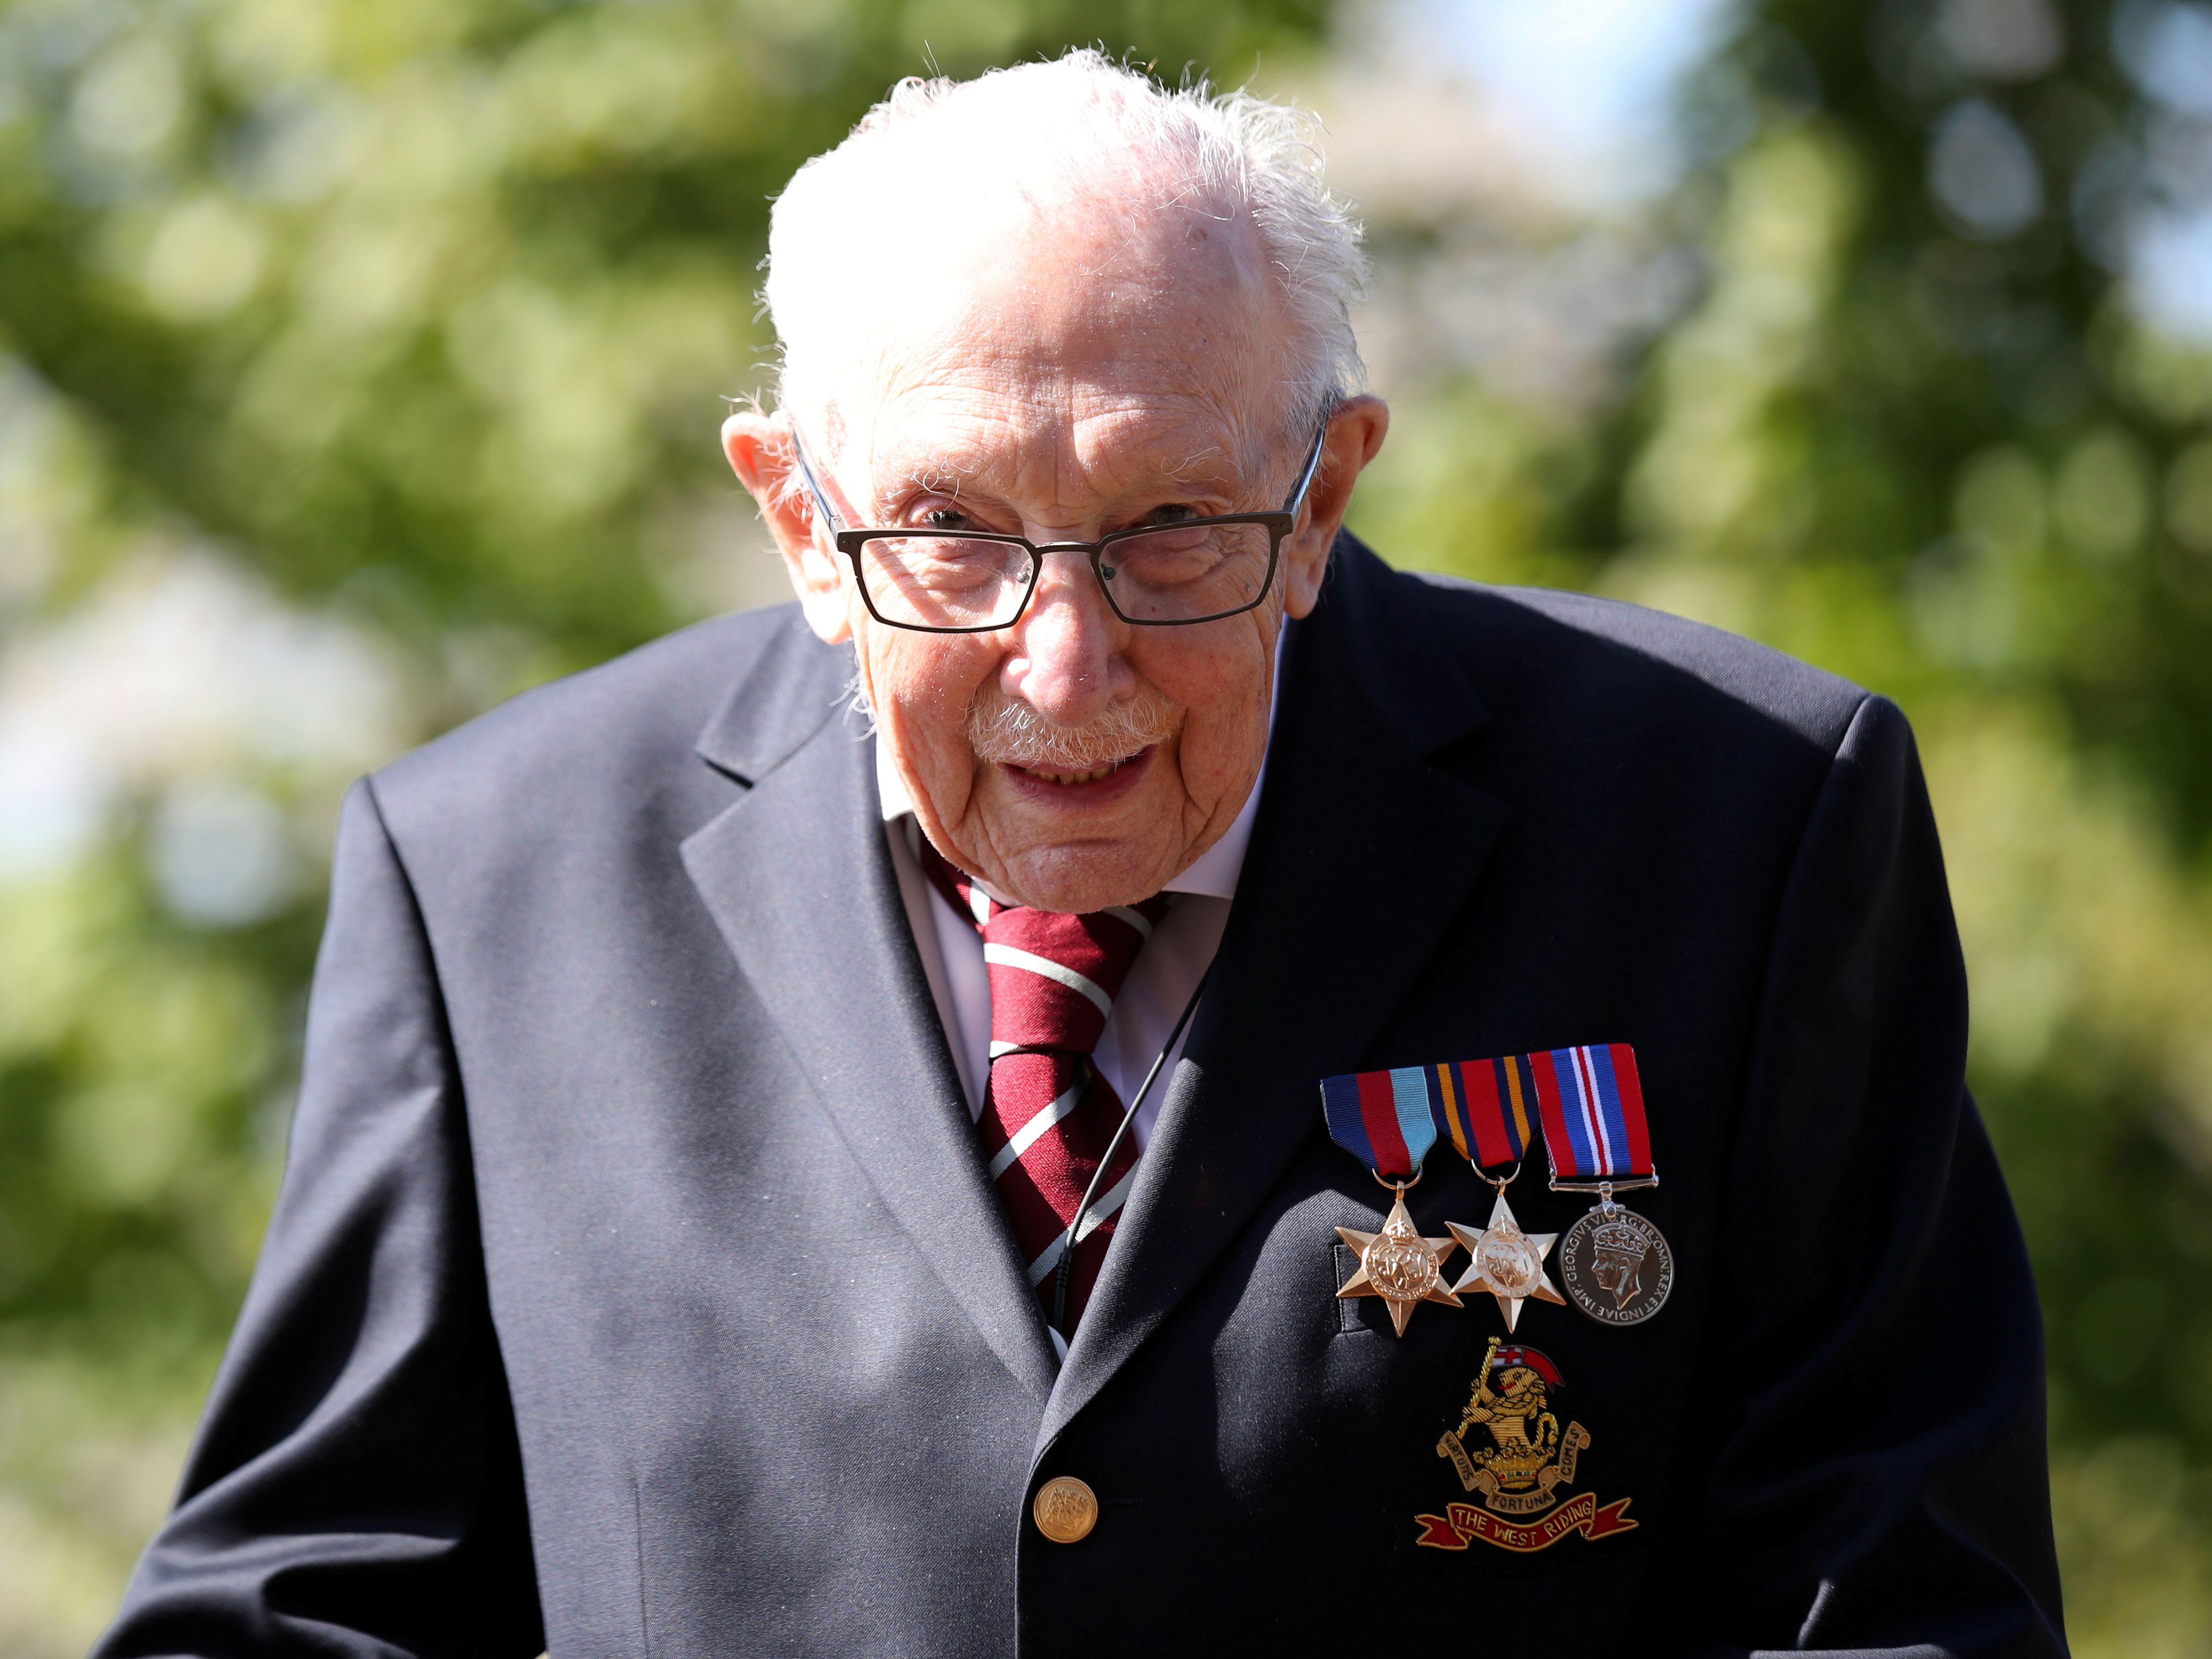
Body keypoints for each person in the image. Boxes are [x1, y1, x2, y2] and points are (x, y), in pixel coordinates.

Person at [96, 51, 2068, 1659]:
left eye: (1174, 526)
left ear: (1326, 495)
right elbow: (306, 1609)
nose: (1068, 657)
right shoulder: (489, 880)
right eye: (946, 530)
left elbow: (1892, 1603)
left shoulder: (1737, 822)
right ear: (794, 515)